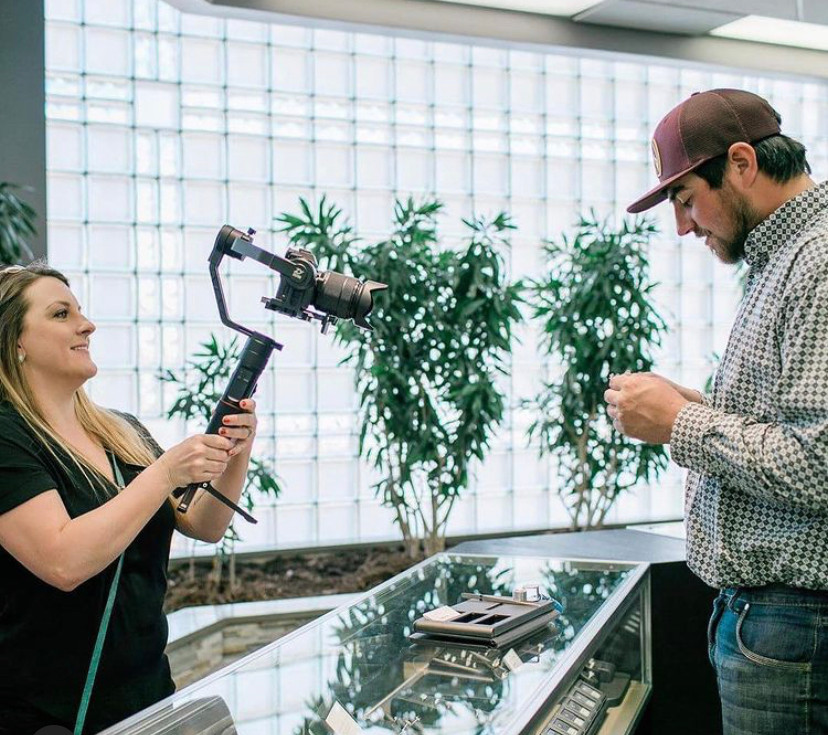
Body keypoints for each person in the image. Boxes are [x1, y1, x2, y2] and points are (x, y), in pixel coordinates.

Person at [604, 87, 828, 734]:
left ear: (741, 163)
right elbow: (787, 420)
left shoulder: (816, 262)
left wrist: (680, 422)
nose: (683, 226)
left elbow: (818, 462)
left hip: (796, 625)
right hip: (774, 622)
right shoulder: (782, 258)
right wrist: (690, 405)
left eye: (685, 198)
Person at [0, 261, 259, 734]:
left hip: (149, 703)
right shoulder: (8, 437)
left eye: (80, 311)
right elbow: (62, 561)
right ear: (16, 341)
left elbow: (203, 523)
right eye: (61, 314)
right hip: (51, 718)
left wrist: (235, 452)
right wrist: (165, 472)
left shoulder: (120, 431)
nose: (87, 325)